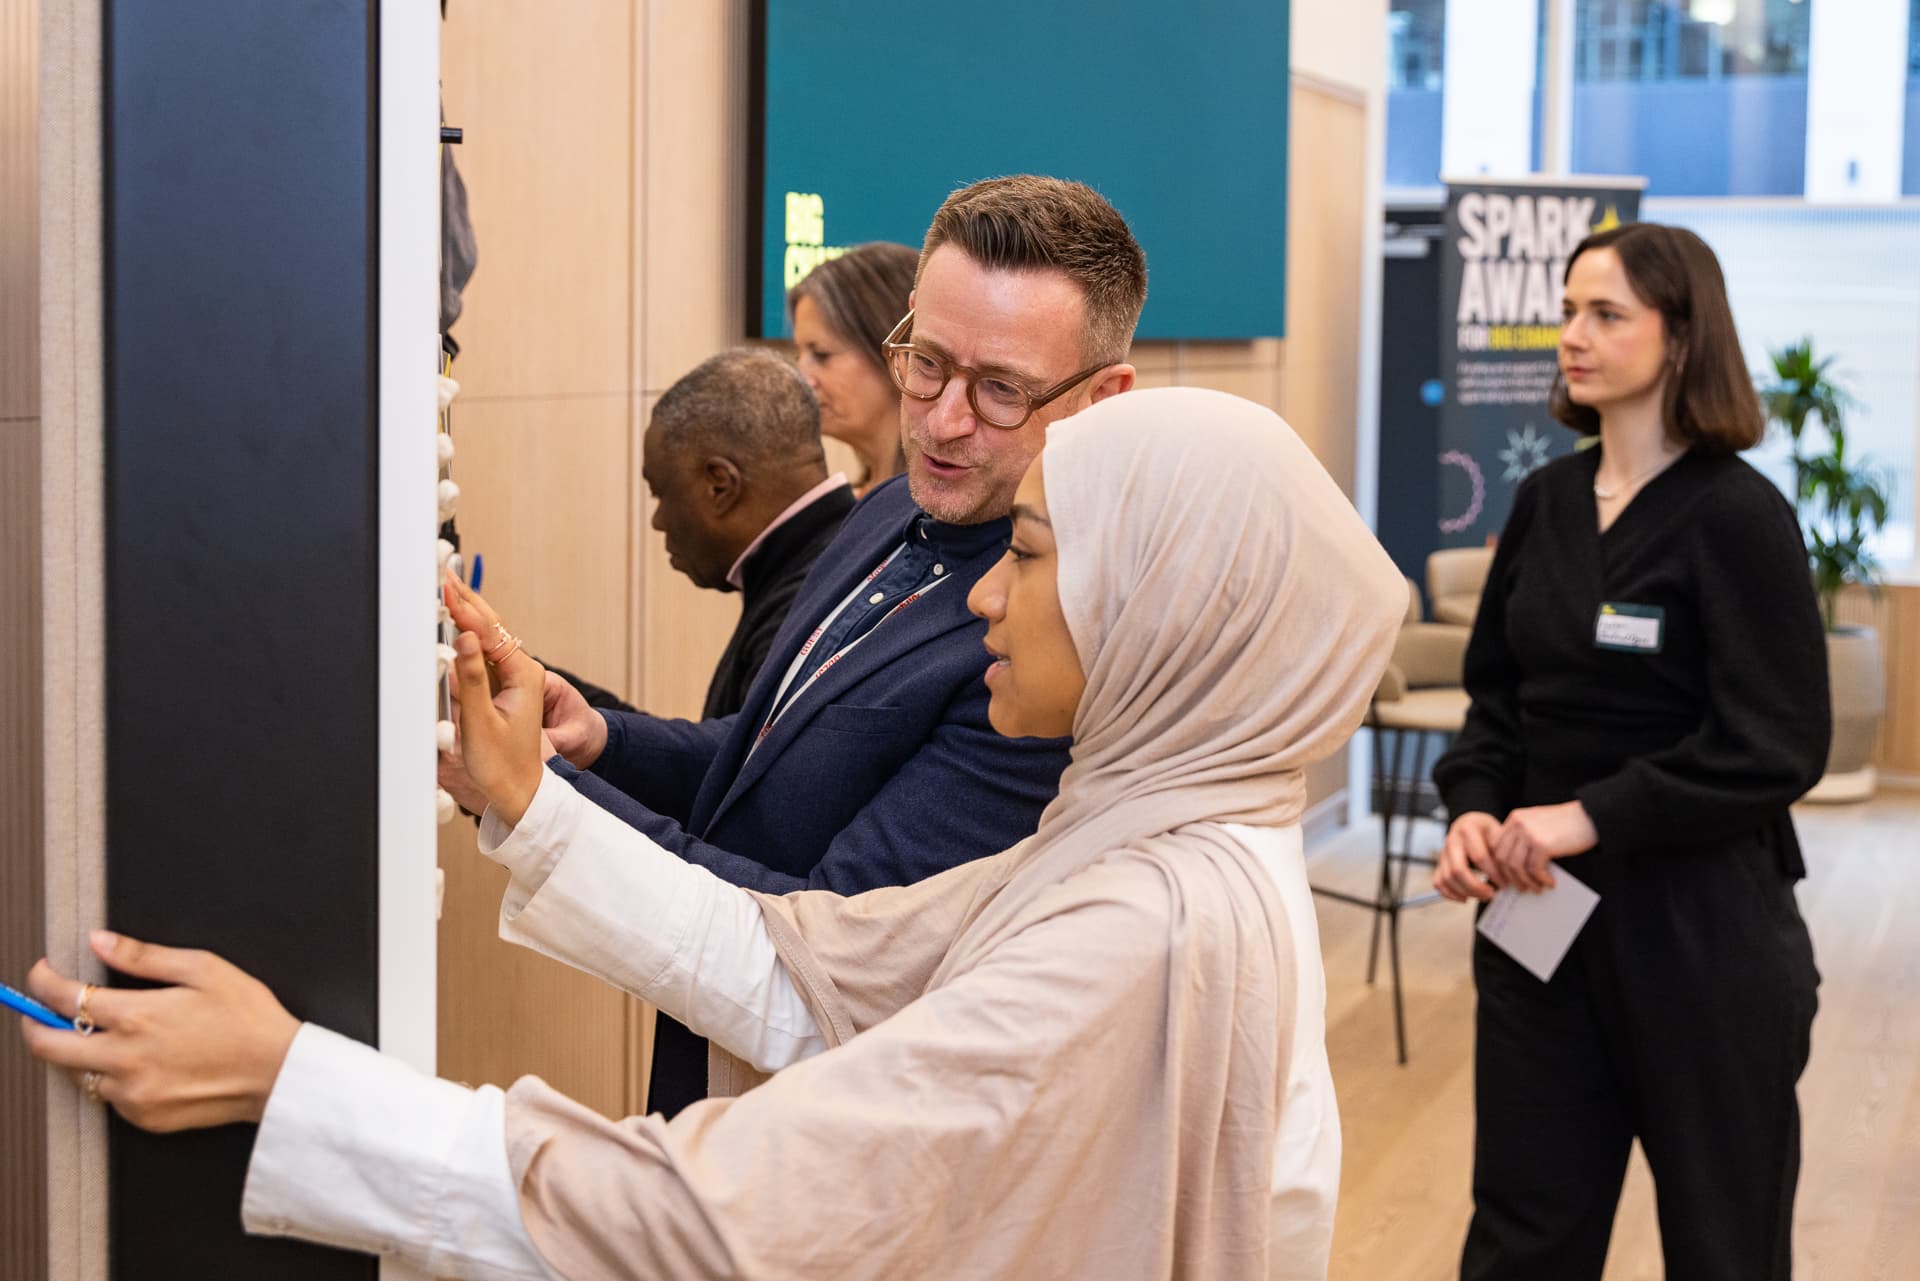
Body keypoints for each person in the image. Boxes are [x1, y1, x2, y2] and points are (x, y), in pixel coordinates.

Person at [22, 387, 1407, 1281]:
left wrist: (293, 1081)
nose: (988, 597)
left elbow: (736, 1215)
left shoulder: (1140, 925)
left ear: (1160, 608)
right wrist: (528, 801)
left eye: (1032, 556)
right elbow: (812, 979)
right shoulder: (1150, 839)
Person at [446, 175, 1146, 1118]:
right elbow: (764, 762)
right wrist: (597, 739)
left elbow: (828, 957)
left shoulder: (1046, 653)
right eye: (926, 363)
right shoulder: (889, 505)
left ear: (1103, 397)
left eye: (1000, 391)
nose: (942, 420)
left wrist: (534, 793)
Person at [1429, 222, 1829, 1281]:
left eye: (1606, 314)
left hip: (1703, 935)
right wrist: (1474, 807)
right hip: (1539, 921)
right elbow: (1496, 699)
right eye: (1568, 311)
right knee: (1522, 1235)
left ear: (1682, 337)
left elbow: (1777, 744)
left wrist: (1590, 815)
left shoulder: (1740, 516)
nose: (1572, 335)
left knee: (1724, 1244)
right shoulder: (1546, 502)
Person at [536, 348, 855, 722]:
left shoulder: (808, 605)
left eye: (661, 493)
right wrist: (536, 683)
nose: (658, 521)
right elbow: (706, 749)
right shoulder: (839, 554)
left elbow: (725, 760)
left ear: (720, 486)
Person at [788, 241, 918, 496]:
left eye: (821, 355)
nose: (800, 379)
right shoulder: (856, 502)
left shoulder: (936, 509)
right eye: (798, 354)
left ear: (896, 356)